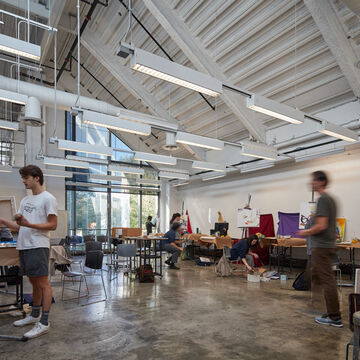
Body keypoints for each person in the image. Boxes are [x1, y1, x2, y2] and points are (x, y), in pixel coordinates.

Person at [0, 165, 57, 338]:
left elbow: (53, 225)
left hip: (38, 245)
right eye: (23, 178)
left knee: (43, 283)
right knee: (33, 282)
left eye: (26, 178)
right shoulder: (25, 200)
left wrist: (30, 225)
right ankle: (34, 315)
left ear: (36, 178)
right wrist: (3, 221)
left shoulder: (48, 198)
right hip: (24, 245)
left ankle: (44, 322)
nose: (24, 181)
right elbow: (19, 225)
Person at [298, 171, 342, 327]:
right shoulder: (330, 199)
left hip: (322, 247)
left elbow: (322, 225)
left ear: (321, 182)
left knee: (327, 280)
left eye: (314, 181)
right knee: (315, 275)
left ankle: (334, 316)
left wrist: (306, 231)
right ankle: (326, 309)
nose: (311, 183)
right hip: (325, 246)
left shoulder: (324, 199)